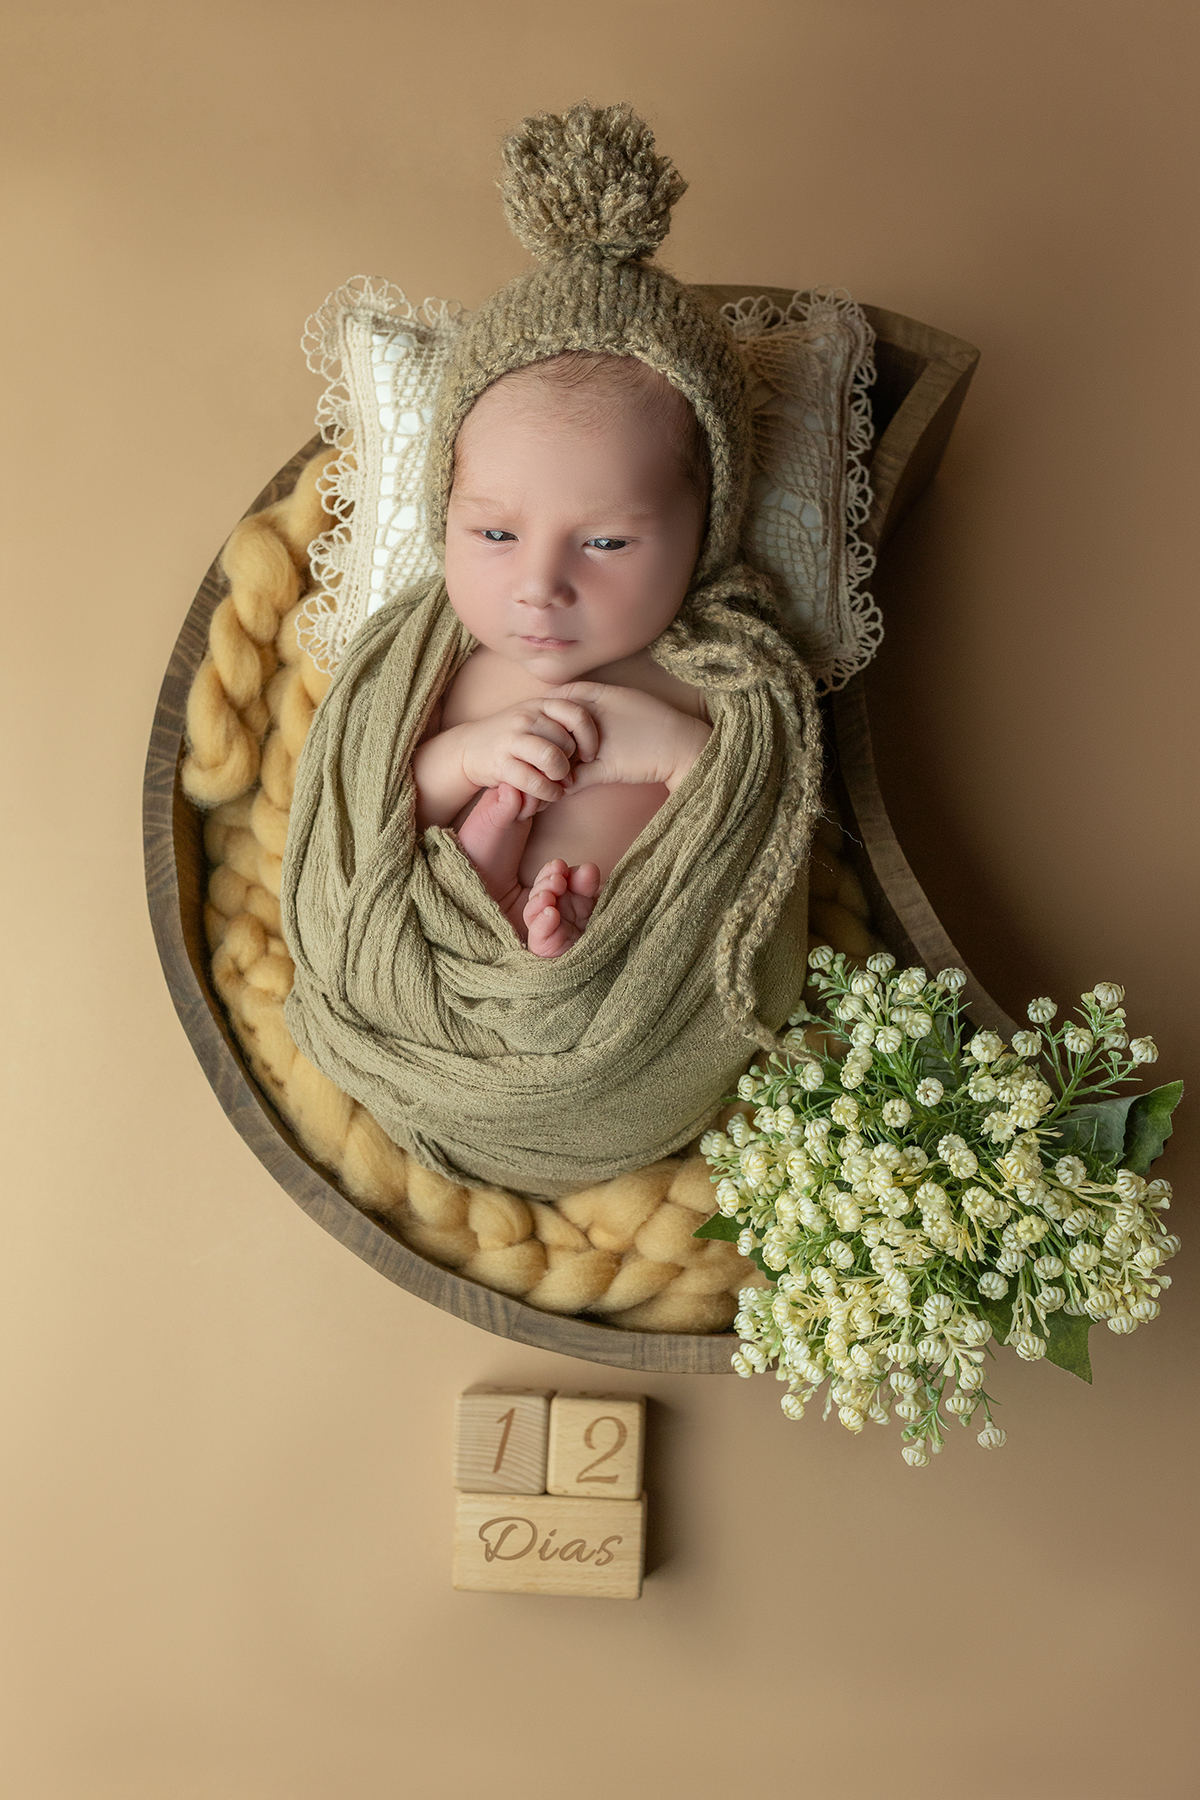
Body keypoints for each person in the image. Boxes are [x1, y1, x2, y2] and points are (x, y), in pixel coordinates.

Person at [412, 351, 715, 957]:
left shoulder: (713, 677)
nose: (540, 585)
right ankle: (491, 898)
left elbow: (755, 833)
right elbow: (372, 823)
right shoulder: (442, 669)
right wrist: (467, 758)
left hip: (635, 975)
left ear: (706, 532)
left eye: (605, 542)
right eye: (497, 535)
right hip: (454, 951)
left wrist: (683, 751)